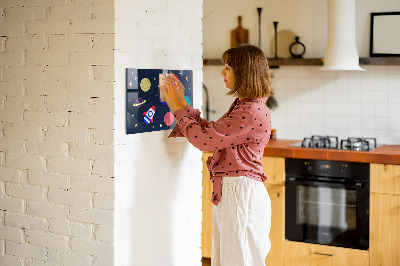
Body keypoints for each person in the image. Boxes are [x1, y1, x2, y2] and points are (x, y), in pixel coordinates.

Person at [161, 44, 273, 266]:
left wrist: (176, 107)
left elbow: (204, 141)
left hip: (241, 195)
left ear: (244, 72)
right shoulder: (246, 106)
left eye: (228, 67)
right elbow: (212, 133)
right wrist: (182, 103)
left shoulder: (250, 111)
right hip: (236, 193)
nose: (222, 72)